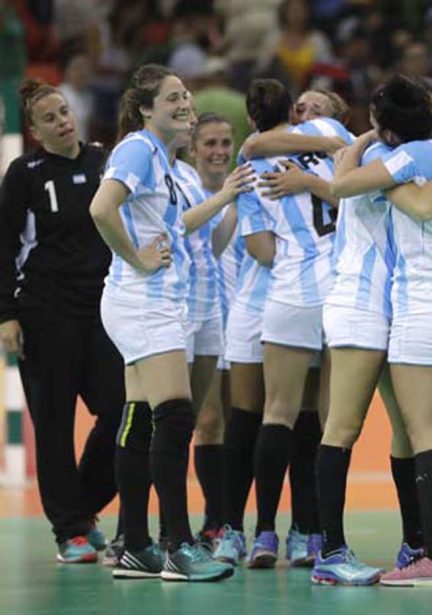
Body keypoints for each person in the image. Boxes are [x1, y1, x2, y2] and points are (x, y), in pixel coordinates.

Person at [330, 74, 432, 587]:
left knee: (426, 434)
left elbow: (342, 186)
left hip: (424, 308)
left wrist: (365, 142)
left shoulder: (413, 156)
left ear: (389, 128)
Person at [88, 64, 233, 582]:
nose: (185, 103)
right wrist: (136, 259)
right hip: (142, 300)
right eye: (173, 97)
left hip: (151, 299)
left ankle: (137, 544)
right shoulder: (137, 149)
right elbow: (101, 208)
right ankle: (179, 546)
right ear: (146, 108)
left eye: (186, 94)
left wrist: (224, 197)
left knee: (142, 417)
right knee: (175, 416)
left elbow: (173, 226)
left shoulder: (164, 162)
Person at [0, 78, 121, 564]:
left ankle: (83, 507)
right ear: (34, 130)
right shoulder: (23, 173)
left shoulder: (103, 162)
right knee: (52, 424)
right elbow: (4, 248)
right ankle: (69, 531)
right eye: (49, 118)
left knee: (124, 409)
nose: (62, 121)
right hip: (44, 312)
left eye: (65, 111)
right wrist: (6, 315)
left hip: (104, 310)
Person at [236, 79, 346, 569]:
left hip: (291, 289)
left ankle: (265, 533)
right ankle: (319, 534)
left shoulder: (254, 159)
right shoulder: (330, 134)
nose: (311, 107)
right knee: (326, 420)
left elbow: (254, 145)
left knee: (277, 412)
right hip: (342, 288)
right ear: (293, 110)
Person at [171, 112, 254, 547]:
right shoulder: (184, 188)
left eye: (226, 142)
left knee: (239, 421)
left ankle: (232, 521)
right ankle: (214, 518)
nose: (219, 151)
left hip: (241, 319)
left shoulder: (244, 189)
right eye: (211, 144)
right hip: (199, 313)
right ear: (194, 149)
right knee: (206, 420)